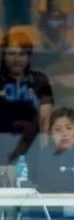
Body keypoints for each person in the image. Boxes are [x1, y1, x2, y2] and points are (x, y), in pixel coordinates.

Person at [0, 31, 52, 161]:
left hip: (32, 144)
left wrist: (45, 144)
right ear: (4, 56)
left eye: (22, 54)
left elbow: (45, 115)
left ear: (29, 57)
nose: (17, 59)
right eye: (11, 53)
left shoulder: (40, 79)